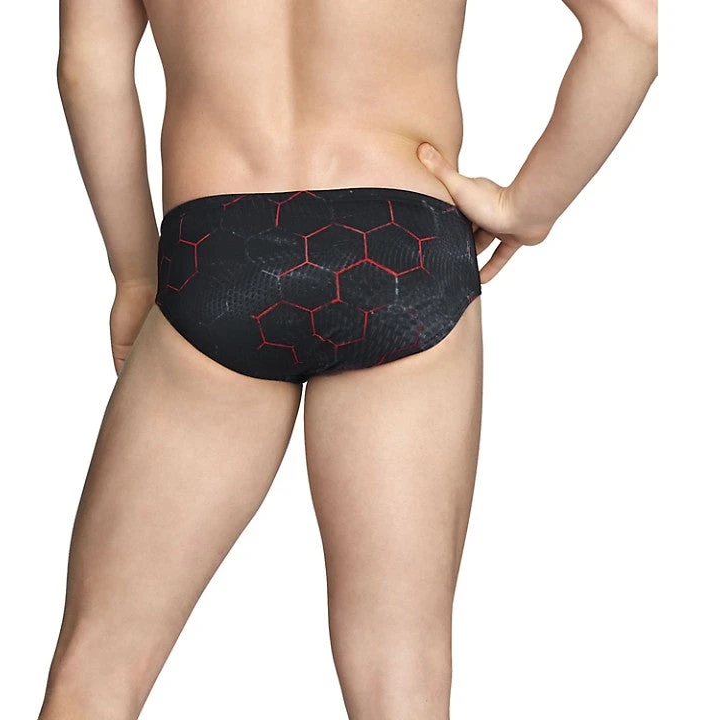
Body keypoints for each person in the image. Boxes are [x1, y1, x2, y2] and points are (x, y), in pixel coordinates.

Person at [41, 0, 657, 717]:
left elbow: (89, 67)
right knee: (400, 677)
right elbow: (631, 30)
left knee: (97, 671)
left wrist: (135, 274)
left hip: (218, 249)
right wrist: (531, 206)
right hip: (401, 248)